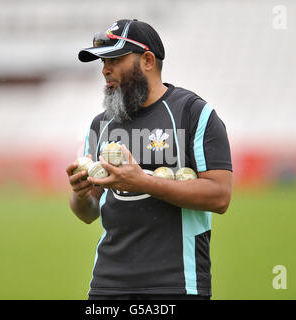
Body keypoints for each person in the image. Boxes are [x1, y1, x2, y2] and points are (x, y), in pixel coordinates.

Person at [66, 19, 233, 300]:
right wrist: (81, 195)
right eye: (102, 62)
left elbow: (219, 196)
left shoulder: (194, 113)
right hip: (107, 286)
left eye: (115, 59)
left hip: (176, 284)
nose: (105, 70)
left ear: (147, 60)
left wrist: (143, 181)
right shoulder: (100, 125)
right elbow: (89, 213)